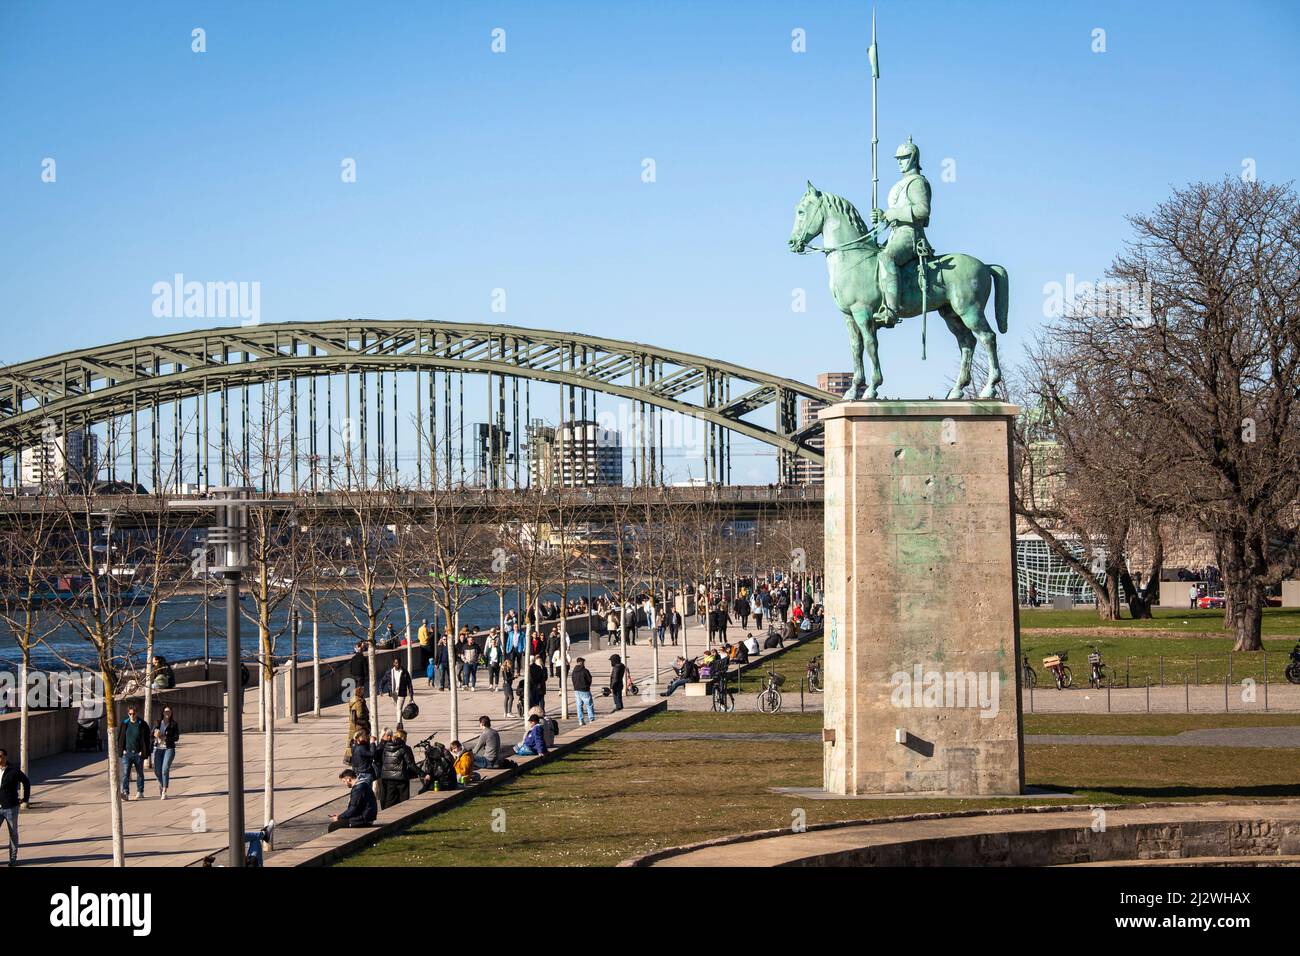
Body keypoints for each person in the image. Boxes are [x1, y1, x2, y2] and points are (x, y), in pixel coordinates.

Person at [0, 747, 31, 866]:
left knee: (13, 833)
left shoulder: (13, 770)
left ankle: (13, 859)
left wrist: (25, 799)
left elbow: (26, 781)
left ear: (5, 757)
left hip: (10, 807)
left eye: (1, 756)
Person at [377, 728, 418, 809]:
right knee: (404, 801)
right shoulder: (405, 748)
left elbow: (383, 760)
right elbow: (410, 763)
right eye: (405, 738)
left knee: (390, 800)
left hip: (388, 777)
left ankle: (387, 816)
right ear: (402, 738)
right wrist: (421, 773)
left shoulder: (386, 746)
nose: (406, 740)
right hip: (401, 777)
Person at [119, 704, 151, 800]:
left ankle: (140, 791)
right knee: (126, 774)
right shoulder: (125, 723)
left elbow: (146, 739)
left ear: (136, 713)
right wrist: (123, 750)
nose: (132, 715)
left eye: (133, 713)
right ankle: (125, 792)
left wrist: (143, 752)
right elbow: (120, 738)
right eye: (130, 714)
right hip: (127, 753)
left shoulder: (142, 724)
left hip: (138, 753)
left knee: (139, 773)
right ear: (128, 714)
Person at [151, 705, 180, 799]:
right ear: (162, 713)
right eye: (166, 712)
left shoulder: (173, 724)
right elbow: (151, 735)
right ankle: (161, 783)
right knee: (157, 770)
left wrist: (166, 737)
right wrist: (155, 734)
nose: (167, 713)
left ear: (171, 713)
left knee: (165, 769)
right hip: (158, 749)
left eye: (169, 712)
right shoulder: (158, 723)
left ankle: (164, 790)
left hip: (169, 749)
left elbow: (176, 737)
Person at [382, 658, 414, 728]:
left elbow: (409, 684)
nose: (397, 664)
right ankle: (400, 718)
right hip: (393, 693)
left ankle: (399, 724)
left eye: (399, 663)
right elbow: (383, 680)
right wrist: (381, 689)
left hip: (402, 693)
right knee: (397, 709)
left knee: (399, 708)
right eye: (396, 663)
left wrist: (411, 696)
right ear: (393, 663)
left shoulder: (404, 672)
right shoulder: (389, 672)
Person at [346, 686, 371, 759]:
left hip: (354, 725)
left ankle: (349, 757)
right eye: (363, 691)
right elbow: (359, 715)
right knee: (360, 740)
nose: (364, 693)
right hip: (359, 726)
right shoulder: (359, 703)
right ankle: (354, 757)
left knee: (352, 740)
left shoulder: (354, 701)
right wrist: (365, 722)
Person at [570, 656, 595, 725]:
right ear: (581, 662)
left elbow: (573, 680)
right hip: (584, 690)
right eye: (583, 663)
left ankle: (581, 720)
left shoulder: (574, 671)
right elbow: (589, 680)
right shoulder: (585, 671)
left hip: (576, 690)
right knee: (589, 705)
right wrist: (587, 686)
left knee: (579, 705)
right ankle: (591, 718)